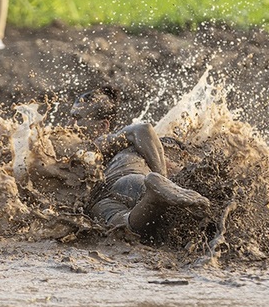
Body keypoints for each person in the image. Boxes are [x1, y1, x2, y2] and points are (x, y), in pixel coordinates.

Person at [69, 87, 211, 238]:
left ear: (102, 126)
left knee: (138, 200)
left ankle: (156, 188)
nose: (71, 123)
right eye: (71, 116)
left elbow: (143, 128)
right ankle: (154, 198)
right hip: (103, 199)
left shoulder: (101, 141)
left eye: (78, 118)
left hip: (124, 179)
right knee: (122, 226)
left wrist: (161, 176)